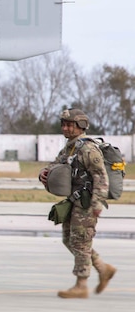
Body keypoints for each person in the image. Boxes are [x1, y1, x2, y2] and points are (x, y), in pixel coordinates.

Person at [38, 108, 117, 299]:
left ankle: (81, 285)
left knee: (81, 242)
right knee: (69, 239)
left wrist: (97, 204)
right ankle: (103, 268)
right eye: (63, 124)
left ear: (80, 126)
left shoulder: (88, 149)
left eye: (69, 125)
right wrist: (44, 172)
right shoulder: (70, 147)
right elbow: (56, 164)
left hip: (87, 203)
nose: (65, 128)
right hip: (74, 200)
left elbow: (101, 177)